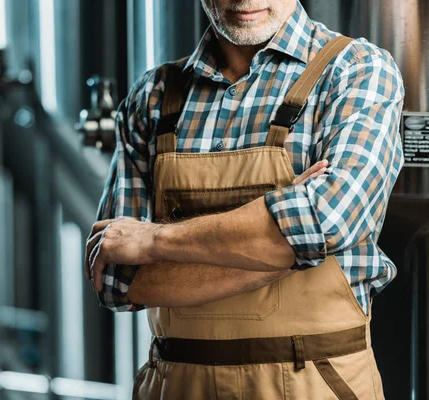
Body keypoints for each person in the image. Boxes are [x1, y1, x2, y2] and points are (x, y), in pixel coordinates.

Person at [86, 0, 404, 398]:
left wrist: (153, 241)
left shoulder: (356, 70)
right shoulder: (153, 95)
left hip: (316, 383)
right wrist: (285, 245)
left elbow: (326, 222)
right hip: (179, 386)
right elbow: (117, 278)